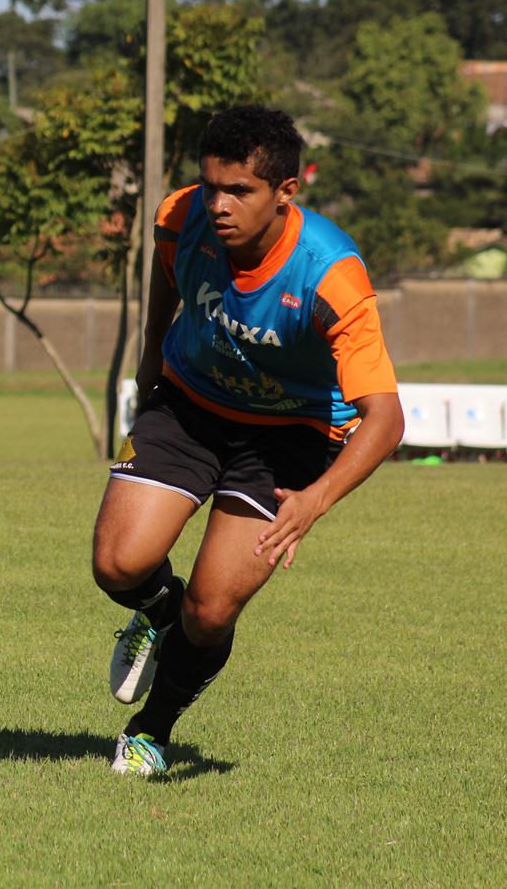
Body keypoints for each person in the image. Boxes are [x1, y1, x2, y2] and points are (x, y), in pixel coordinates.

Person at [93, 105, 403, 776]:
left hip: (290, 435)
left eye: (240, 191)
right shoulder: (182, 217)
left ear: (285, 192)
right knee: (117, 563)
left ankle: (151, 730)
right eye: (212, 185)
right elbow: (165, 295)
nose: (219, 204)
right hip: (188, 404)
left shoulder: (330, 273)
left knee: (211, 609)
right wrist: (148, 383)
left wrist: (314, 501)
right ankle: (156, 609)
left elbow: (386, 419)